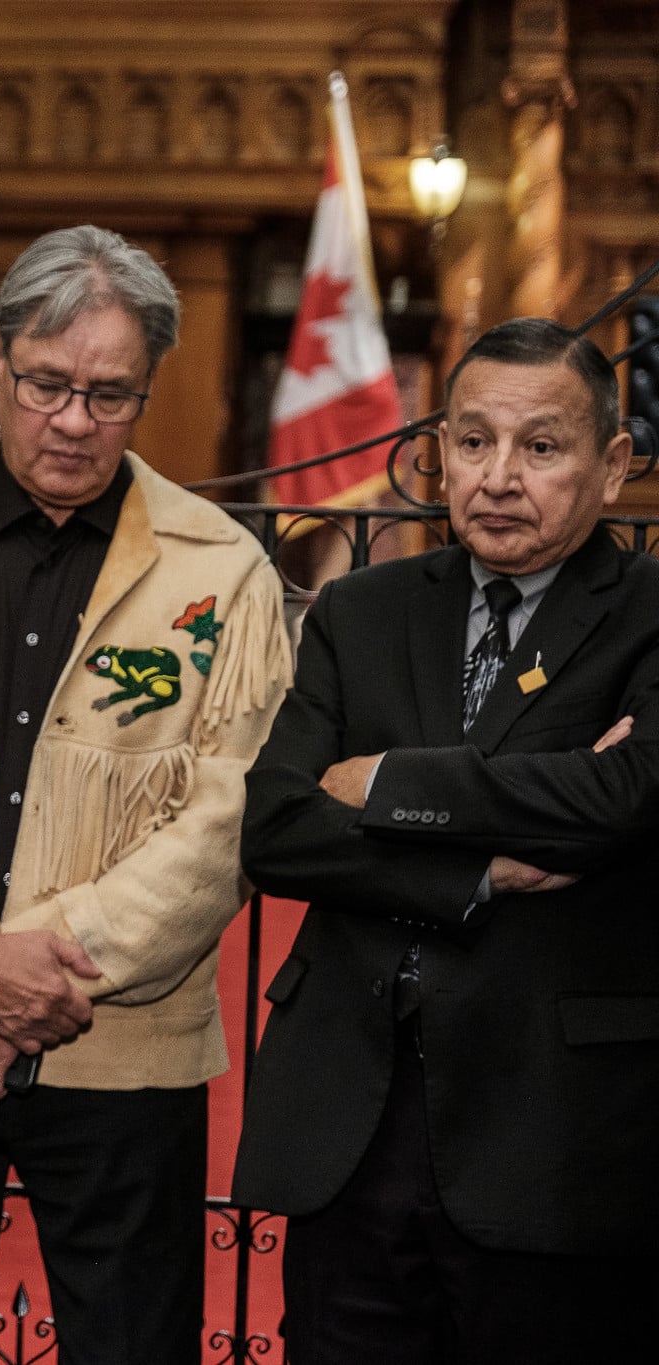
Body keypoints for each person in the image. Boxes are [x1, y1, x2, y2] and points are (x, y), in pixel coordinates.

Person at [0, 225, 294, 1364]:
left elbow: (229, 818)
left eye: (109, 395)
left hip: (119, 1050)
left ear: (146, 391)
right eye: (45, 385)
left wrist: (27, 971)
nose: (73, 421)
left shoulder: (220, 571)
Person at [234, 317, 659, 1362]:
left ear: (610, 467)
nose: (497, 476)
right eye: (471, 442)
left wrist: (381, 780)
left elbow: (621, 799)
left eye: (540, 447)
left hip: (549, 1134)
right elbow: (274, 827)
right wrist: (474, 869)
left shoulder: (648, 614)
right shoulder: (359, 611)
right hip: (350, 1121)